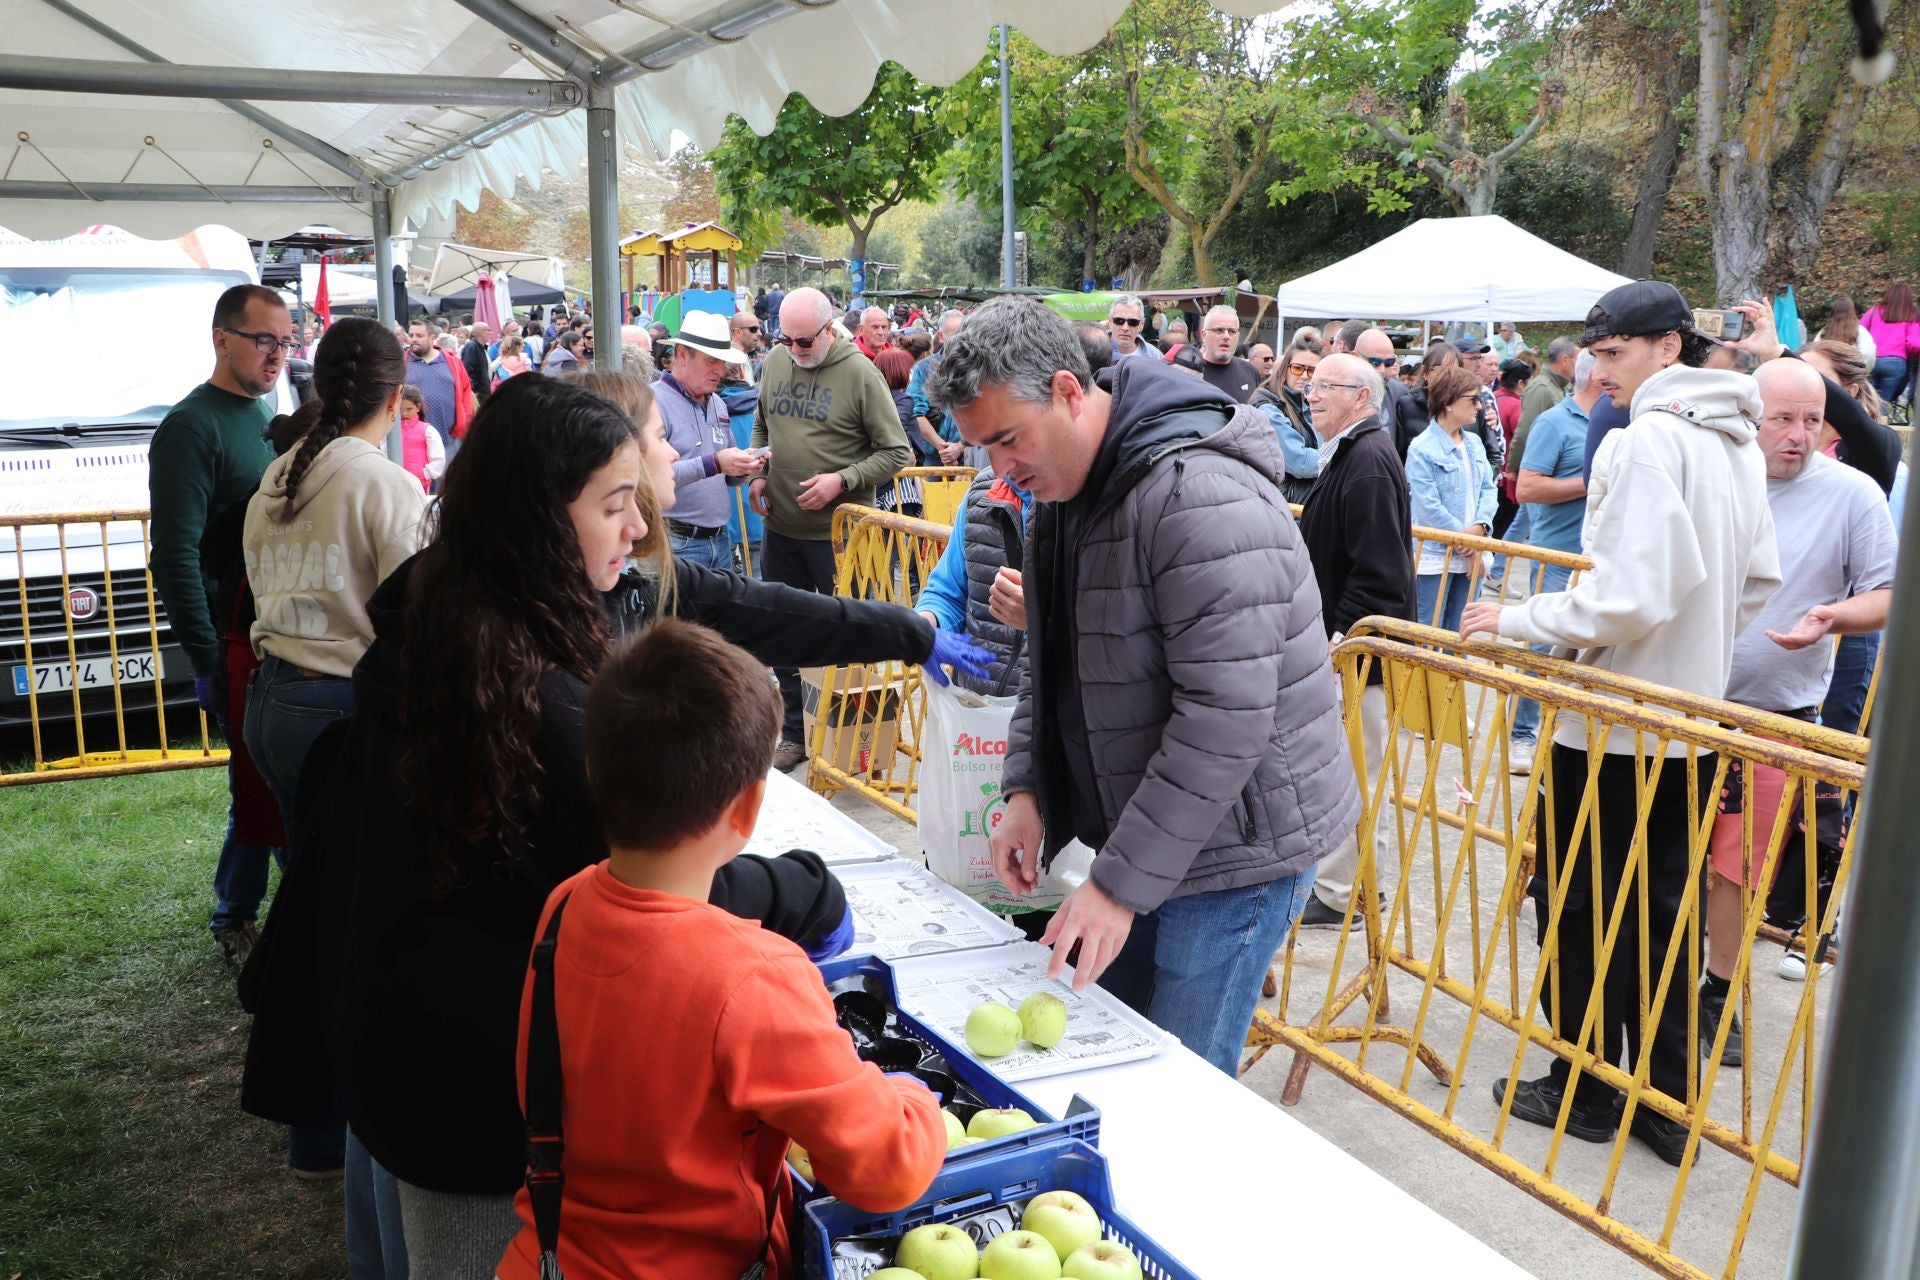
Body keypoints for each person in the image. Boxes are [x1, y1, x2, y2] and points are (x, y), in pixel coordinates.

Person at [244, 373, 982, 1278]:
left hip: (399, 1043)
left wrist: (901, 632)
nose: (636, 529)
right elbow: (649, 878)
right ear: (540, 519)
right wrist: (804, 891)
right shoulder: (535, 703)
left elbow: (730, 611)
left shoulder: (453, 606)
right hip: (469, 1095)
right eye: (615, 505)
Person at [933, 298, 1360, 1076]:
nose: (1000, 471)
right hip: (1153, 835)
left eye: (1007, 439)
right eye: (980, 448)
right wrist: (1027, 790)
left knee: (1180, 1083)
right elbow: (1055, 657)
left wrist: (1117, 886)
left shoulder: (1198, 495)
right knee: (1112, 1056)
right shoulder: (1068, 490)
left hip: (1238, 852)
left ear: (1067, 391)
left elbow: (1226, 718)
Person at [492, 621, 944, 1279]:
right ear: (749, 809)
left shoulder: (565, 906)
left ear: (594, 772)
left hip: (547, 1260)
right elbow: (888, 1168)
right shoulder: (756, 976)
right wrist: (915, 1102)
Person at [1461, 279, 1781, 1166]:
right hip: (1683, 716)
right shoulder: (1738, 445)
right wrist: (1699, 647)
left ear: (1667, 348)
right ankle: (1668, 1100)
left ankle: (1586, 1083)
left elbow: (1631, 593)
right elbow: (1754, 581)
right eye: (1597, 357)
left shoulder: (1649, 444)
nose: (1601, 374)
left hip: (1613, 720)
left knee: (1579, 908)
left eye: (1614, 355)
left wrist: (1523, 622)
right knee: (1662, 913)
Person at [1699, 358, 1895, 1063]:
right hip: (1679, 701)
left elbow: (1888, 593)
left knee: (1736, 867)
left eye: (1812, 421)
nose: (1798, 435)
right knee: (1660, 852)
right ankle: (1650, 978)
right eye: (1781, 419)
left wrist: (1832, 616)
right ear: (1749, 417)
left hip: (1773, 716)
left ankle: (1717, 992)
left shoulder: (1852, 496)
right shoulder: (1714, 475)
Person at [149, 283, 291, 968]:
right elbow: (173, 553)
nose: (276, 355)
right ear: (222, 338)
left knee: (266, 779)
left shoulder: (260, 413)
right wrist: (206, 658)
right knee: (260, 781)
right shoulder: (191, 426)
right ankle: (237, 916)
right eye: (264, 340)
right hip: (231, 642)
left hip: (267, 632)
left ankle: (244, 910)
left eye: (286, 342)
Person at [750, 287, 917, 769]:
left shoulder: (861, 373)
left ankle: (860, 746)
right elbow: (763, 425)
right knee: (783, 632)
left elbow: (897, 452)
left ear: (829, 330)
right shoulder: (777, 362)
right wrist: (760, 470)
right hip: (782, 530)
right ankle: (796, 734)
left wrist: (841, 481)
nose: (796, 349)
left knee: (850, 639)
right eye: (787, 339)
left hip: (842, 537)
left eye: (805, 341)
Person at [1294, 352, 1417, 934]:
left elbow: (1379, 577)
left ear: (1361, 397)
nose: (1311, 395)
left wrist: (1336, 643)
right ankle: (1345, 885)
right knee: (1350, 771)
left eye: (1325, 387)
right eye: (1308, 384)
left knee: (1360, 775)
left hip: (1361, 658)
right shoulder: (1355, 451)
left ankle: (1347, 892)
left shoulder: (1366, 459)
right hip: (1352, 652)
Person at [1506, 349, 1600, 772]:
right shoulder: (1554, 423)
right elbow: (1526, 489)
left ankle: (1560, 736)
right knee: (1543, 649)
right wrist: (1592, 484)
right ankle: (1522, 736)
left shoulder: (1618, 424)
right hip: (1556, 560)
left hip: (1594, 563)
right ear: (1597, 377)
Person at [654, 312, 765, 571]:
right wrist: (716, 462)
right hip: (677, 542)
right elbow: (652, 476)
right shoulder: (653, 402)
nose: (719, 369)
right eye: (711, 360)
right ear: (682, 355)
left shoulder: (716, 402)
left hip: (719, 540)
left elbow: (724, 473)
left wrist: (743, 466)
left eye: (722, 361)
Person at [1406, 362, 1498, 632]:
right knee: (1429, 630)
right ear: (1448, 402)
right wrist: (1466, 542)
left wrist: (1480, 528)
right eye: (1472, 399)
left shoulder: (1474, 442)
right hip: (1435, 553)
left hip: (1472, 544)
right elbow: (1428, 507)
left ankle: (1453, 677)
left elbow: (1488, 489)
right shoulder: (1422, 448)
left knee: (1463, 629)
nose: (1478, 406)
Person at [1249, 336, 1323, 503]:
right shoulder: (1268, 406)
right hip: (1281, 504)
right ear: (1285, 369)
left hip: (1301, 500)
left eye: (1311, 371)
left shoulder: (1306, 402)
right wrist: (1341, 458)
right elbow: (1299, 461)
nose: (1304, 376)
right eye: (1297, 368)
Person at [404, 319, 475, 463]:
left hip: (449, 440)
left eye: (419, 335)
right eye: (411, 335)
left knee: (449, 484)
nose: (414, 340)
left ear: (432, 337)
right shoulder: (402, 362)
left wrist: (463, 426)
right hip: (414, 443)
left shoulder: (452, 361)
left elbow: (466, 395)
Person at [907, 309, 968, 466]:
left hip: (968, 456)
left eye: (965, 333)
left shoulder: (976, 366)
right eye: (955, 334)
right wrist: (945, 450)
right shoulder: (925, 368)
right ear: (941, 336)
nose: (961, 340)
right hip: (932, 457)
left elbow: (985, 415)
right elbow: (915, 414)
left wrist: (960, 447)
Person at [1354, 327, 1424, 456]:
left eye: (1388, 363)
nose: (1382, 370)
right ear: (1355, 357)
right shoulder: (1337, 392)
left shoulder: (1400, 393)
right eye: (1375, 362)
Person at [1860, 282, 1919, 407]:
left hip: (1871, 360)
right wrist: (1906, 354)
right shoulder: (1911, 315)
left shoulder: (1873, 312)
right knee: (1882, 402)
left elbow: (1859, 332)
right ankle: (1880, 422)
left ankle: (1864, 423)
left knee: (1868, 400)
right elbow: (1915, 344)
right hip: (1895, 363)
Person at [1194, 304, 1260, 402]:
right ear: (1204, 335)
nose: (1226, 336)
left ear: (1238, 336)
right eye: (1219, 330)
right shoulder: (1189, 372)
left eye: (1232, 331)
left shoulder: (1250, 371)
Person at [396, 384, 447, 493]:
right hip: (395, 482)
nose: (404, 413)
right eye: (400, 409)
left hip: (419, 485)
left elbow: (438, 460)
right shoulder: (390, 431)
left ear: (418, 407)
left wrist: (424, 473)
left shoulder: (428, 430)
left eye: (409, 409)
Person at [1816, 295, 1876, 363]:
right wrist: (1861, 370)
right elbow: (1868, 354)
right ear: (1853, 312)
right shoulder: (1860, 331)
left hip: (1828, 369)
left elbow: (1814, 351)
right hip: (1850, 370)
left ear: (1834, 312)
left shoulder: (1824, 331)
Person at [1107, 294, 1149, 362]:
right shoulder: (1093, 350)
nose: (1125, 328)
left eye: (1133, 322)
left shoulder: (1155, 356)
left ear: (1142, 324)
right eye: (1119, 320)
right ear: (1110, 321)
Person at [729, 308, 766, 383]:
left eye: (759, 329)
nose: (759, 333)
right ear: (738, 332)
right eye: (753, 329)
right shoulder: (729, 359)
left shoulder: (743, 355)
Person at [460, 322, 492, 405]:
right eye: (488, 330)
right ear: (480, 333)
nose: (490, 333)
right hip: (477, 394)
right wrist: (475, 391)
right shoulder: (472, 347)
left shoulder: (480, 347)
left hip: (482, 393)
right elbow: (468, 369)